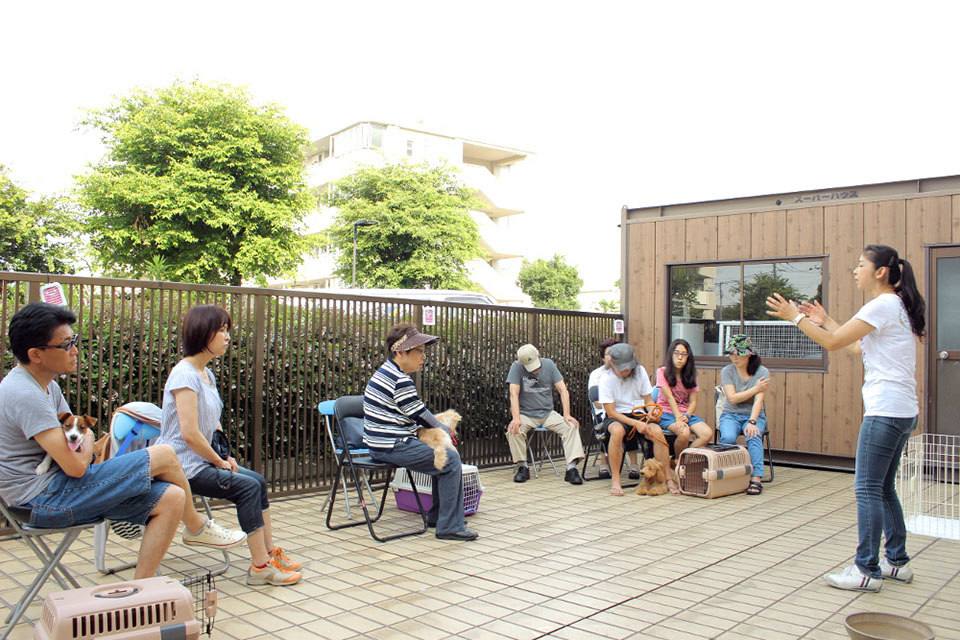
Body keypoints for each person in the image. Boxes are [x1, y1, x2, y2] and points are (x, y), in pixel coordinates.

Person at [0, 302, 243, 581]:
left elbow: (78, 441)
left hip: (58, 488)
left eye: (74, 341)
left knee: (173, 497)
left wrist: (85, 443)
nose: (75, 350)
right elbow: (77, 465)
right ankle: (198, 528)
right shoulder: (24, 393)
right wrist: (87, 442)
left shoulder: (47, 386)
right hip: (41, 499)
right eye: (66, 344)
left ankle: (142, 590)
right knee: (163, 453)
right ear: (36, 354)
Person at [766, 244, 925, 592]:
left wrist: (796, 317)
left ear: (880, 271)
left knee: (867, 488)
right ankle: (896, 562)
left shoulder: (881, 304)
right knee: (883, 488)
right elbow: (855, 346)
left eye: (860, 264)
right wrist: (826, 321)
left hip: (884, 411)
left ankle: (866, 570)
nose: (855, 270)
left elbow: (835, 344)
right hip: (902, 410)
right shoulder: (896, 306)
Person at [159, 305, 302, 587]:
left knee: (257, 481)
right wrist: (218, 461)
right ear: (202, 333)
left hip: (203, 460)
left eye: (227, 330)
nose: (227, 337)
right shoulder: (184, 375)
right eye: (221, 330)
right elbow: (189, 433)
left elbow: (213, 424)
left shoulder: (206, 375)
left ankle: (270, 554)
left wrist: (225, 456)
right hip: (184, 467)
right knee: (246, 487)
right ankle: (259, 568)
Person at [363, 323, 478, 541]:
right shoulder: (398, 379)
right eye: (419, 351)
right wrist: (444, 429)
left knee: (443, 458)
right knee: (450, 459)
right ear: (400, 352)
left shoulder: (385, 372)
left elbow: (416, 414)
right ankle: (449, 526)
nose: (423, 357)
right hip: (392, 445)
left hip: (381, 444)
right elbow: (421, 414)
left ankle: (439, 517)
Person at [599, 343, 677, 496]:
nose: (627, 370)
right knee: (617, 431)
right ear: (612, 363)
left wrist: (653, 411)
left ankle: (667, 479)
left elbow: (648, 399)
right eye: (623, 368)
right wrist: (636, 423)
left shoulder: (640, 371)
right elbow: (611, 412)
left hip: (638, 413)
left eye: (629, 367)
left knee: (657, 431)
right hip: (617, 415)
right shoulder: (605, 378)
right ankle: (616, 480)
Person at [506, 344, 585, 485]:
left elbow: (563, 391)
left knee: (571, 426)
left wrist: (566, 415)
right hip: (526, 414)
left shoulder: (549, 364)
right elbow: (514, 394)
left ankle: (571, 469)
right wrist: (516, 419)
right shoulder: (516, 367)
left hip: (548, 413)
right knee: (514, 430)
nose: (535, 370)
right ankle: (522, 466)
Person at [717, 334, 769, 496]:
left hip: (753, 415)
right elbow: (732, 398)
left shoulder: (762, 372)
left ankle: (756, 477)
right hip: (730, 414)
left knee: (753, 435)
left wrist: (752, 421)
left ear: (749, 354)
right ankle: (729, 474)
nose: (734, 357)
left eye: (738, 353)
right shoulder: (727, 371)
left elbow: (758, 402)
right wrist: (755, 389)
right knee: (728, 438)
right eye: (731, 354)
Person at [588, 338, 639, 480]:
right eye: (609, 354)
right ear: (603, 357)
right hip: (602, 412)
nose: (613, 357)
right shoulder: (598, 375)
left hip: (626, 410)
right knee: (613, 424)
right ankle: (604, 463)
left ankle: (634, 464)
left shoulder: (631, 372)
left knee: (630, 420)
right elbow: (598, 403)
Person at [656, 338, 713, 456]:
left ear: (688, 357)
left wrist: (687, 415)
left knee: (707, 433)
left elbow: (693, 401)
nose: (680, 357)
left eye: (683, 354)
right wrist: (678, 418)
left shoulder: (692, 375)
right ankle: (678, 460)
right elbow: (670, 397)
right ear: (671, 354)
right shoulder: (662, 372)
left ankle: (683, 459)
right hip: (666, 413)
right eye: (676, 353)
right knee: (684, 433)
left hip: (686, 414)